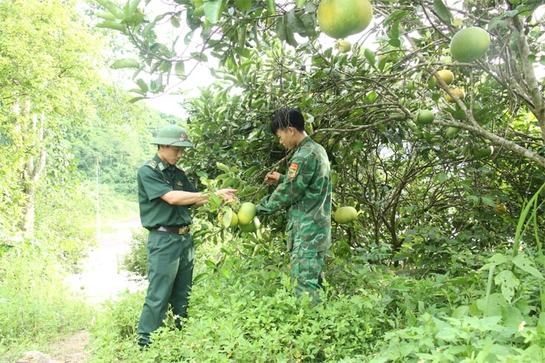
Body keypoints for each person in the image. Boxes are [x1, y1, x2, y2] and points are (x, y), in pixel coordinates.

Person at [136, 124, 237, 347]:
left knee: (182, 294)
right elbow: (172, 197)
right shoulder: (149, 171)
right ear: (162, 146)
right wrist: (211, 193)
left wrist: (220, 198)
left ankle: (178, 338)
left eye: (183, 150)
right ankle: (145, 345)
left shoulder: (178, 173)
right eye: (177, 149)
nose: (180, 155)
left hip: (184, 240)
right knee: (159, 295)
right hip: (163, 240)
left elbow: (196, 197)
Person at [257, 108, 332, 305]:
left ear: (290, 130)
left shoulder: (303, 156)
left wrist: (259, 208)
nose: (280, 141)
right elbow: (309, 184)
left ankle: (310, 328)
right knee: (314, 284)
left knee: (304, 289)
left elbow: (290, 192)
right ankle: (323, 324)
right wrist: (282, 177)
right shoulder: (317, 150)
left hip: (307, 232)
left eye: (279, 135)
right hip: (317, 230)